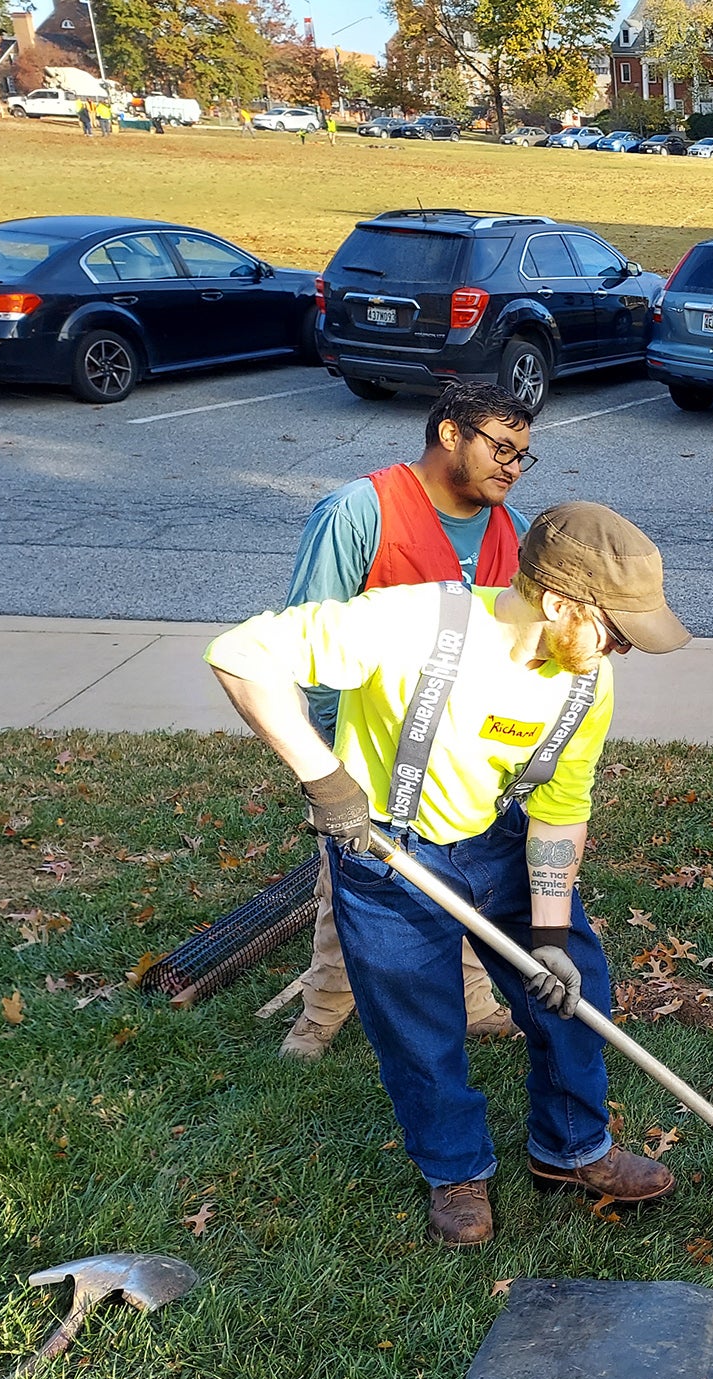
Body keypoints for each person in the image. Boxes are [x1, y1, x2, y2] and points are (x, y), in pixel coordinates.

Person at [205, 501, 694, 1247]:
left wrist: (552, 934)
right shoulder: (410, 624)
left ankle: (571, 1148)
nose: (623, 648)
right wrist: (326, 781)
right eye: (617, 629)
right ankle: (455, 1170)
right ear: (559, 601)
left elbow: (562, 807)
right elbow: (239, 654)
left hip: (502, 840)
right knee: (419, 1023)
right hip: (386, 854)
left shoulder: (584, 676)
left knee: (576, 990)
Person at [275, 382, 537, 1061]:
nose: (511, 465)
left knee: (470, 885)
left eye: (522, 455)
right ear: (451, 434)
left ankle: (474, 1001)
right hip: (371, 756)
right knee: (354, 886)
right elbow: (308, 642)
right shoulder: (361, 512)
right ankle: (322, 1013)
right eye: (500, 447)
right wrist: (331, 764)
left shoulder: (505, 526)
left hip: (464, 759)